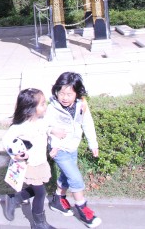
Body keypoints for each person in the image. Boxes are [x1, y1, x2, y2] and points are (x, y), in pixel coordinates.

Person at [46, 72, 101, 228]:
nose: (64, 97)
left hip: (73, 146)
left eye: (69, 94)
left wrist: (93, 144)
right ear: (56, 91)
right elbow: (43, 125)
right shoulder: (52, 108)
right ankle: (83, 209)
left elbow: (87, 124)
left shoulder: (81, 105)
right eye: (61, 93)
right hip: (59, 149)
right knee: (75, 179)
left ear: (77, 93)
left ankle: (58, 199)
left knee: (66, 175)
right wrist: (52, 131)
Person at [2, 88, 57, 229]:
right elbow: (7, 140)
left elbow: (48, 129)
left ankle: (14, 199)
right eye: (42, 104)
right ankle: (39, 224)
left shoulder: (42, 120)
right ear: (31, 108)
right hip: (30, 164)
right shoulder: (20, 126)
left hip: (41, 162)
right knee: (41, 192)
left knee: (37, 188)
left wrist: (54, 142)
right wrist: (17, 153)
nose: (46, 106)